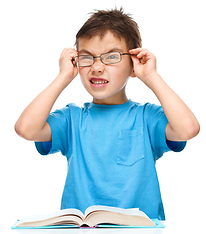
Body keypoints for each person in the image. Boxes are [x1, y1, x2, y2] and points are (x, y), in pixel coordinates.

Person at [15, 8, 200, 220]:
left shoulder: (146, 117)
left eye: (111, 57)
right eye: (87, 57)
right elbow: (25, 129)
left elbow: (188, 129)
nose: (97, 67)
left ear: (133, 65)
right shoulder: (71, 119)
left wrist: (151, 76)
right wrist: (63, 77)